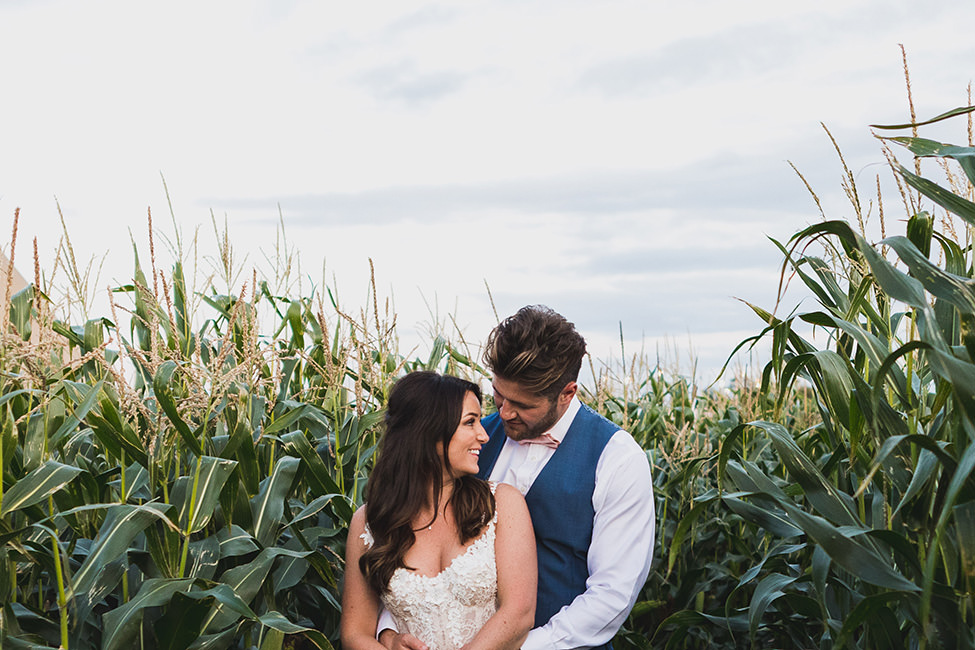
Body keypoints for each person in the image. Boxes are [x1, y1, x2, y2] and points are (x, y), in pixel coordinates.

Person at [383, 306, 656, 650]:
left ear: (567, 393)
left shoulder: (617, 459)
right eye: (498, 395)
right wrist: (389, 630)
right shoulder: (468, 443)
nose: (505, 412)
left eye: (523, 405)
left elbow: (612, 595)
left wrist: (518, 646)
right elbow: (410, 542)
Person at [341, 371, 537, 650]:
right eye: (470, 422)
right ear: (428, 431)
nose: (483, 435)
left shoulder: (502, 505)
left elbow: (519, 614)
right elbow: (354, 633)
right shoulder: (369, 522)